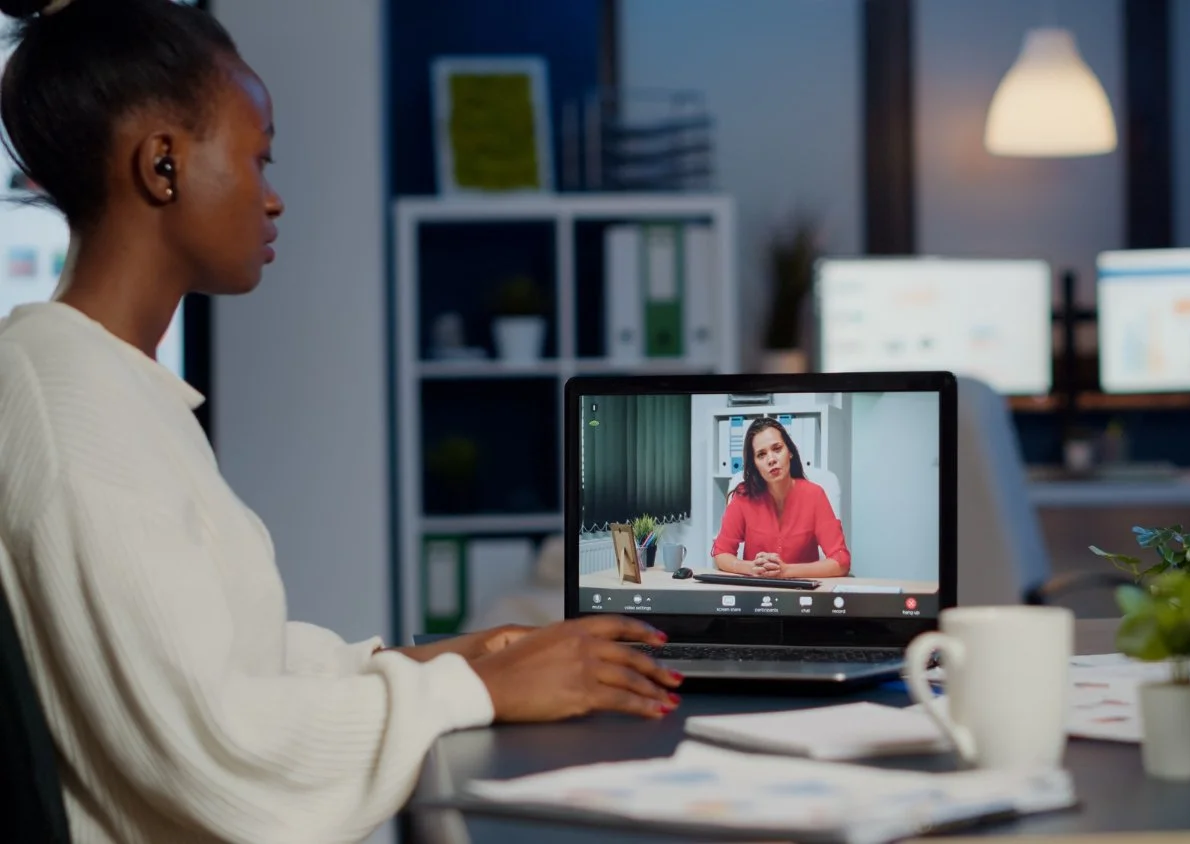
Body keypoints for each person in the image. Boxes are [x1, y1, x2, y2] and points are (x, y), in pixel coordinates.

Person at [0, 0, 681, 841]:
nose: (275, 198)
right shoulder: (72, 407)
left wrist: (434, 660)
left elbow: (225, 659)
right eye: (260, 157)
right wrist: (477, 693)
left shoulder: (108, 383)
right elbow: (216, 756)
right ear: (163, 164)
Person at [710, 417, 851, 578]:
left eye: (777, 449)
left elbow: (841, 560)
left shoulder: (815, 495)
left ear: (790, 452)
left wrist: (786, 571)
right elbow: (721, 553)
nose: (771, 459)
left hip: (802, 593)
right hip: (755, 592)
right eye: (761, 455)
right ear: (754, 464)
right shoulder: (743, 496)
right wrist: (750, 568)